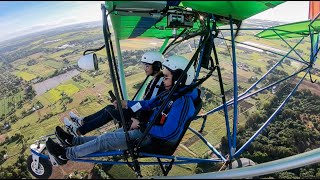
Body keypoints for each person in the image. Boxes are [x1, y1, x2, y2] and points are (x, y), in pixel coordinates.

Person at [46, 55, 198, 165]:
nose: (163, 80)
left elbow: (170, 132)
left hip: (152, 139)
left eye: (166, 77)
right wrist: (126, 103)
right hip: (146, 129)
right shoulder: (172, 93)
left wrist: (141, 125)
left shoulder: (182, 102)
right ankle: (73, 140)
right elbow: (149, 104)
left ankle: (65, 154)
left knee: (105, 140)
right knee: (107, 136)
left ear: (179, 78)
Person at [64, 51, 166, 136]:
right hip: (140, 111)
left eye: (147, 66)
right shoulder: (155, 80)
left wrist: (127, 105)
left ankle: (78, 131)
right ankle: (82, 122)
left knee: (110, 112)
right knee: (110, 107)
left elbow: (150, 105)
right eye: (144, 65)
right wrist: (127, 106)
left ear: (157, 66)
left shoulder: (160, 82)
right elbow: (145, 103)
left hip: (142, 116)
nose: (145, 68)